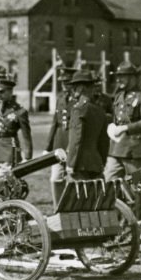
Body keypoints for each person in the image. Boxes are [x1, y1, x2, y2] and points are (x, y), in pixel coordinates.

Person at [103, 61, 141, 217]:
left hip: (136, 151)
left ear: (134, 78)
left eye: (123, 77)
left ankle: (139, 221)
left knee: (138, 188)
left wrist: (125, 128)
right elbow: (116, 119)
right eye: (118, 77)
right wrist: (112, 127)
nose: (119, 80)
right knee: (108, 183)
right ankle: (116, 219)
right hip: (117, 149)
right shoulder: (119, 96)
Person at [0, 76, 32, 178]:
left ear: (10, 92)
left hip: (10, 149)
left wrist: (27, 156)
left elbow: (26, 135)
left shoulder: (19, 111)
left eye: (2, 92)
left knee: (4, 179)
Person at [64, 70, 109, 183]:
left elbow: (76, 139)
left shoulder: (78, 109)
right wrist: (102, 162)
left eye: (74, 87)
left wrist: (71, 163)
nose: (72, 91)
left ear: (80, 88)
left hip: (79, 165)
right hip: (96, 164)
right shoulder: (99, 111)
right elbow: (104, 141)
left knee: (74, 199)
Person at [46, 65, 77, 205]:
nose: (64, 85)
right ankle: (57, 208)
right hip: (59, 144)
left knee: (72, 179)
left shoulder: (78, 100)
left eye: (68, 83)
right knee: (56, 178)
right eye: (62, 82)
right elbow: (54, 123)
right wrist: (48, 146)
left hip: (73, 142)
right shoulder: (60, 99)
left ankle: (71, 208)